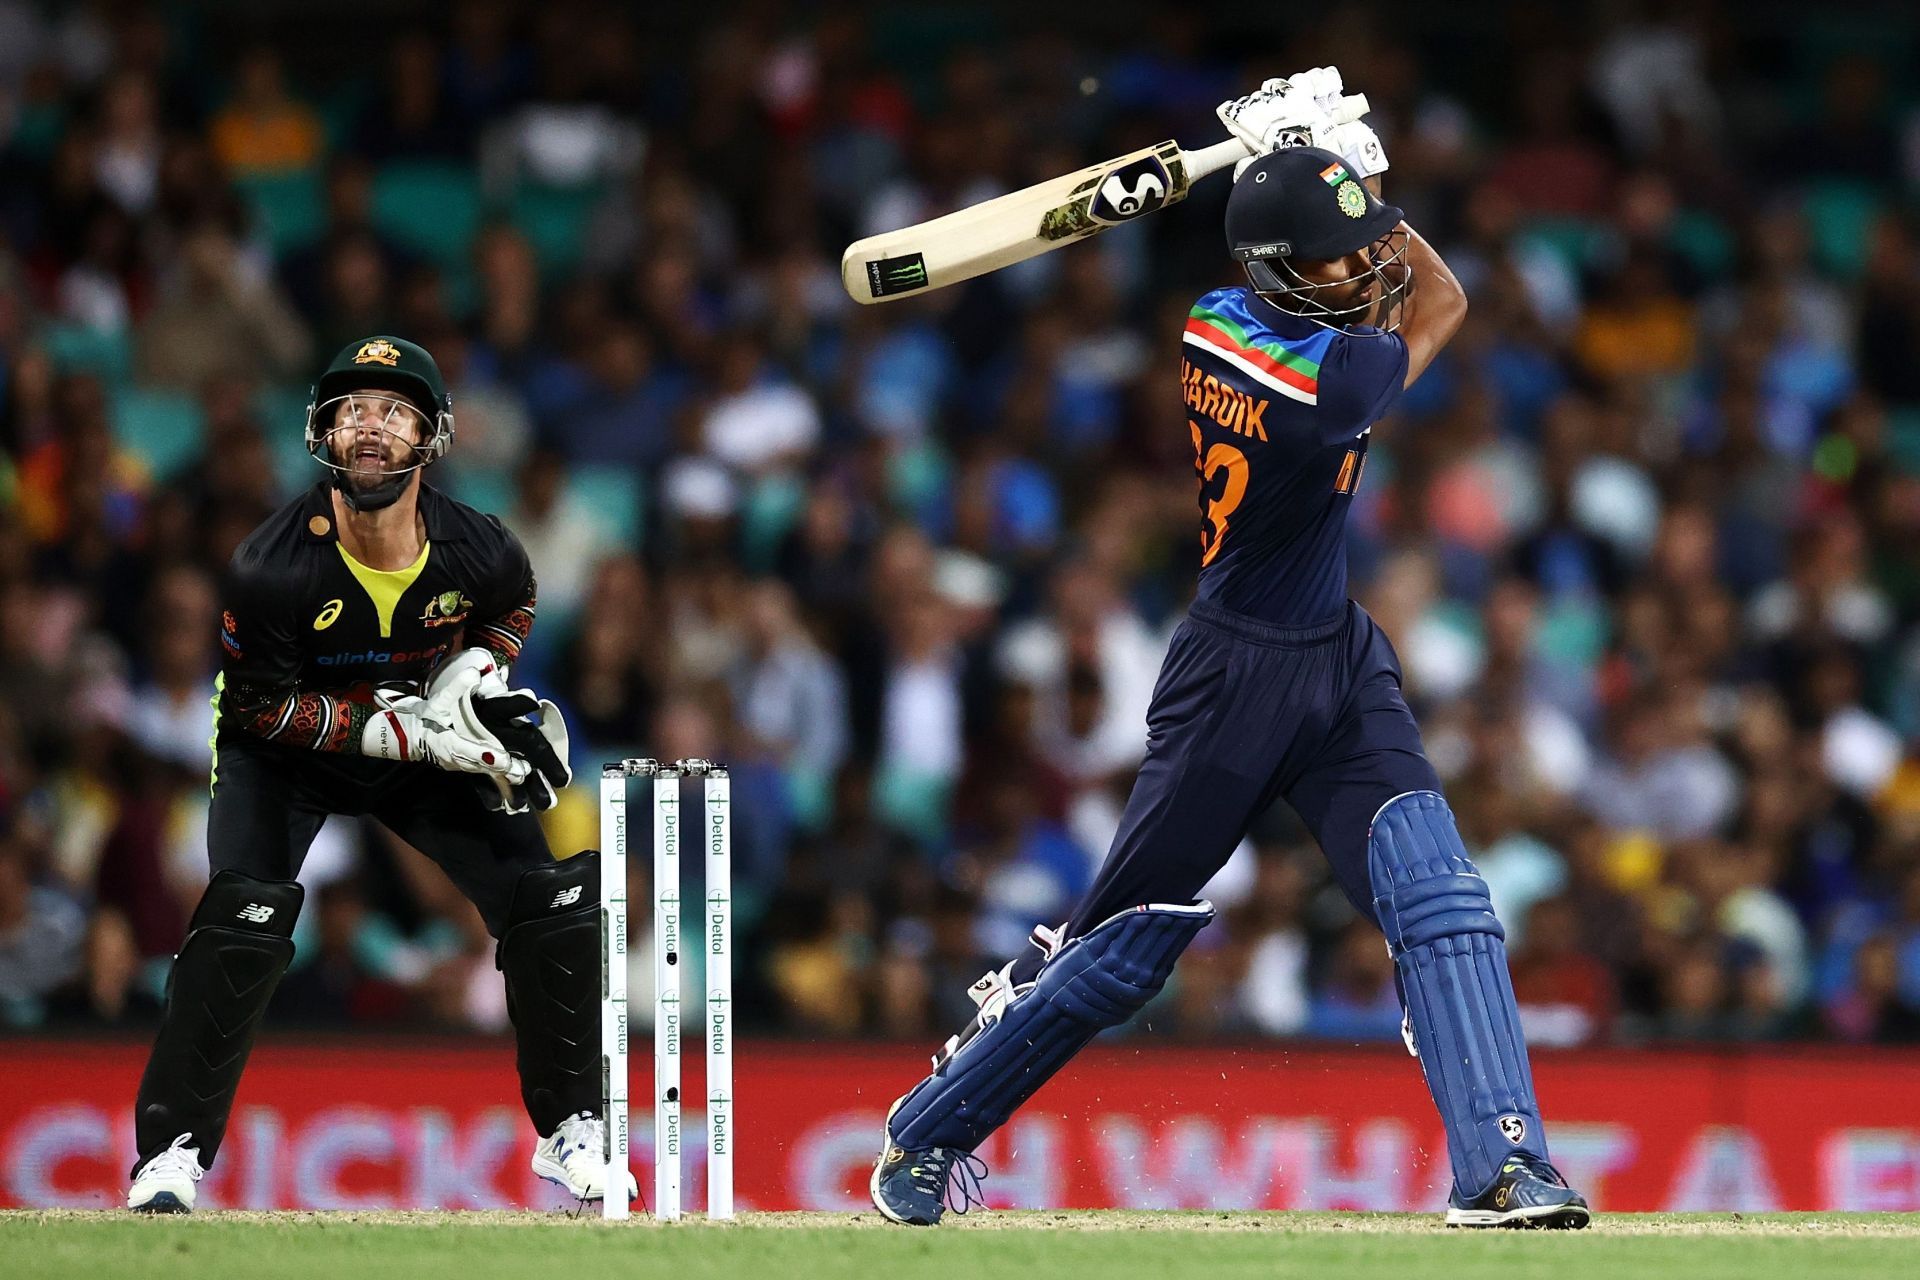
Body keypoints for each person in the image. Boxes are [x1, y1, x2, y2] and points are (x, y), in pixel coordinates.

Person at [868, 71, 1590, 1229]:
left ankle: (1503, 1166)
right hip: (1232, 678)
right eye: (1338, 260)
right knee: (1115, 950)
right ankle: (931, 1126)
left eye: (1358, 257)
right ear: (1278, 269)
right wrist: (1361, 179)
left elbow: (1395, 281)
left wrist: (1334, 182)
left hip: (1336, 656)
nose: (1363, 272)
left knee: (1442, 896)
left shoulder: (1218, 312)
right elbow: (1429, 309)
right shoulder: (1312, 379)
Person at [125, 336, 626, 1212]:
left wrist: (475, 668)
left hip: (421, 743)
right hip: (285, 756)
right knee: (244, 911)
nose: (371, 428)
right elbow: (257, 711)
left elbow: (514, 607)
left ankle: (573, 1130)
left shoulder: (481, 549)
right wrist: (405, 732)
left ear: (431, 438)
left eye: (395, 412)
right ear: (322, 431)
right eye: (354, 409)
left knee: (550, 895)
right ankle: (169, 1154)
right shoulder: (270, 566)